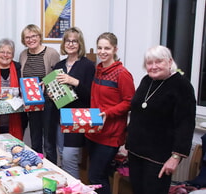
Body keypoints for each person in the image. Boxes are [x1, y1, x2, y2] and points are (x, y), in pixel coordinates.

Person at [125, 45, 196, 194]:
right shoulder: (146, 80)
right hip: (136, 152)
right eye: (149, 63)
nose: (154, 66)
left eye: (159, 62)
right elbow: (139, 112)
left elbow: (186, 124)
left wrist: (176, 157)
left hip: (159, 157)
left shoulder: (182, 85)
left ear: (169, 62)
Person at [85, 32, 135, 194]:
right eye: (100, 48)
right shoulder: (98, 70)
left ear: (115, 49)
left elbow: (129, 102)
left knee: (95, 176)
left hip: (110, 135)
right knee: (100, 176)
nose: (102, 51)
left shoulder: (122, 74)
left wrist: (108, 113)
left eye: (107, 48)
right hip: (94, 133)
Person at [51, 27, 95, 179]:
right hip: (60, 117)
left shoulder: (88, 65)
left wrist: (74, 81)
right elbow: (58, 95)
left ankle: (75, 189)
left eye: (74, 41)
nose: (70, 44)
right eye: (68, 41)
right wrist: (51, 93)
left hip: (77, 117)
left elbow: (91, 96)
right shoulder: (58, 66)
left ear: (80, 44)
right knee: (63, 156)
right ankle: (69, 187)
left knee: (70, 158)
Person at [19, 24, 60, 164]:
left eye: (34, 36)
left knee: (49, 141)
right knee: (35, 138)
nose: (31, 39)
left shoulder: (52, 53)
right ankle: (37, 167)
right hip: (32, 102)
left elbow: (58, 77)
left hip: (48, 102)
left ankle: (53, 171)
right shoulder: (23, 54)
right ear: (24, 40)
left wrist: (46, 83)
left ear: (39, 36)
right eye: (27, 37)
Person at [0, 38, 23, 140]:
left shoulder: (18, 67)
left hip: (15, 115)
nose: (5, 55)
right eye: (2, 52)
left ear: (13, 55)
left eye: (9, 53)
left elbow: (23, 88)